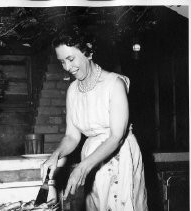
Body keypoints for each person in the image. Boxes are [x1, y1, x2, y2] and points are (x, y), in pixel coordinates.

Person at [41, 25, 148, 211]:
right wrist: (56, 155)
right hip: (91, 161)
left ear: (88, 52)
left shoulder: (114, 84)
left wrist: (82, 167)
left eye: (71, 58)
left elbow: (116, 137)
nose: (67, 67)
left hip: (119, 157)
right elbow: (72, 137)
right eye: (62, 62)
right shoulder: (73, 90)